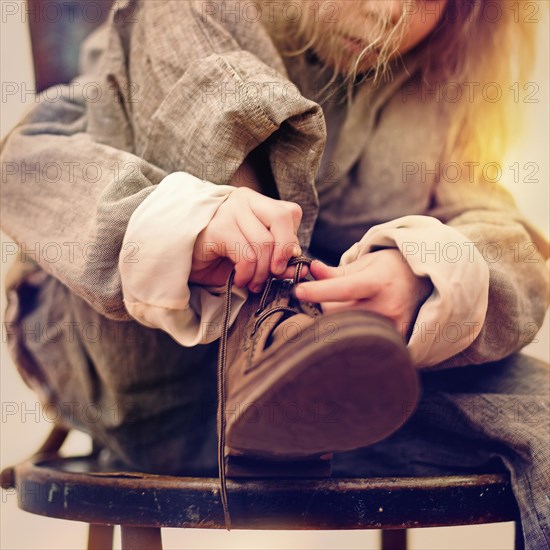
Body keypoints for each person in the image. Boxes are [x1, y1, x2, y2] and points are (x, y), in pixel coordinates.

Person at [1, 0, 548, 545]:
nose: (388, 13)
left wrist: (424, 276)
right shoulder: (182, 18)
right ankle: (265, 331)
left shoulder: (444, 85)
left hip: (339, 397)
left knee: (542, 415)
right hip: (142, 379)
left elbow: (511, 244)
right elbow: (23, 168)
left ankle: (293, 350)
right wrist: (183, 223)